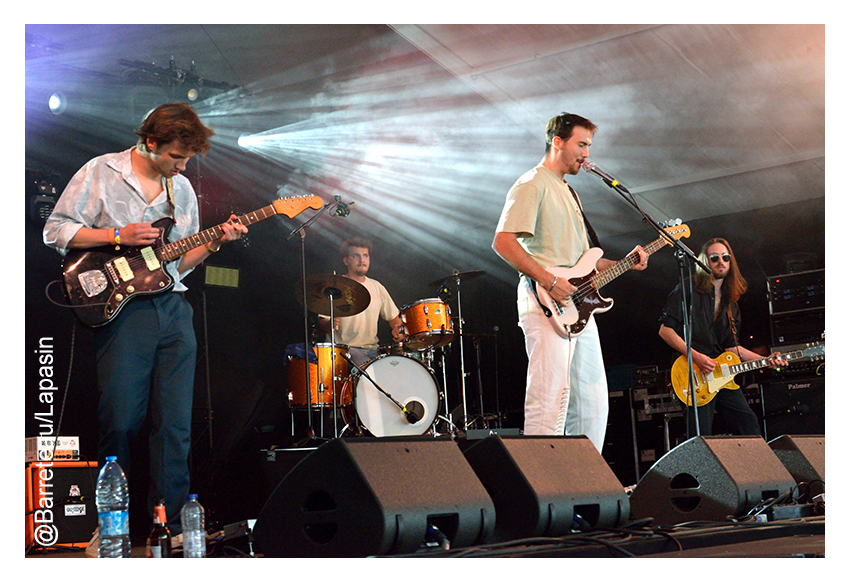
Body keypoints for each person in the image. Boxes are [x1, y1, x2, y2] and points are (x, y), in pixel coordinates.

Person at [43, 103, 247, 535]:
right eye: (177, 156)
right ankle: (109, 527)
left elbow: (178, 265)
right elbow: (55, 229)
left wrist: (214, 244)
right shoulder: (101, 171)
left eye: (188, 159)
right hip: (122, 311)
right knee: (120, 420)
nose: (183, 166)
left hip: (173, 307)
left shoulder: (183, 190)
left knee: (175, 424)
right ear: (151, 142)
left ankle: (170, 527)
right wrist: (116, 234)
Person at [492, 112, 649, 452]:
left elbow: (583, 262)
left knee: (593, 402)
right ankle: (543, 491)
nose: (586, 154)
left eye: (589, 146)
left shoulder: (570, 193)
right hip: (546, 300)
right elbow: (503, 242)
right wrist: (549, 280)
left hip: (577, 305)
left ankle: (584, 485)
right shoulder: (532, 183)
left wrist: (626, 262)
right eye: (581, 144)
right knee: (549, 398)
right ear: (557, 142)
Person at [658, 237, 784, 437]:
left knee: (748, 423)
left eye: (725, 257)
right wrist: (696, 356)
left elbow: (731, 347)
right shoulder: (688, 288)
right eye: (714, 257)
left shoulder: (730, 303)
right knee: (701, 436)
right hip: (693, 372)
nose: (721, 262)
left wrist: (764, 361)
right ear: (704, 261)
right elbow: (665, 330)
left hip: (720, 373)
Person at [318, 236, 404, 365]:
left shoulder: (377, 287)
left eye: (365, 256)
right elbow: (323, 324)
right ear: (346, 260)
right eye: (356, 256)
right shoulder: (334, 287)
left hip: (372, 351)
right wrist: (331, 322)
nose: (362, 260)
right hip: (343, 351)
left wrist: (398, 330)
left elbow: (395, 320)